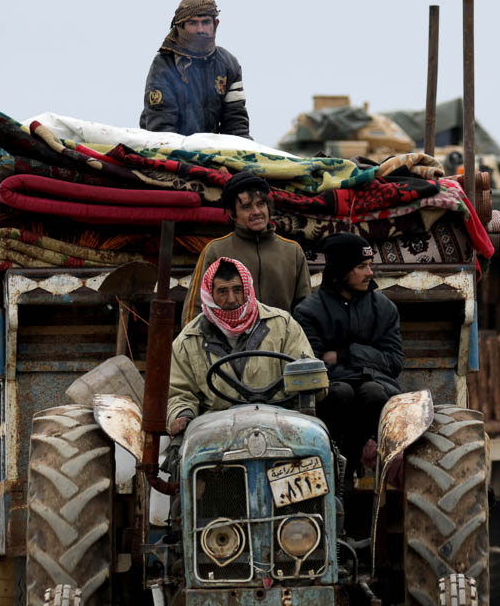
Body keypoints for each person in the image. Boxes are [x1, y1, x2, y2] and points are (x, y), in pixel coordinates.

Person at [166, 257, 315, 436]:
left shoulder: (284, 326)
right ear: (209, 294)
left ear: (247, 288)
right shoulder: (189, 339)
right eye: (222, 291)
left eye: (237, 290)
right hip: (216, 428)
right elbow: (179, 393)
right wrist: (183, 414)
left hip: (280, 423)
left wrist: (309, 386)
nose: (231, 299)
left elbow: (308, 376)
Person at [292, 233, 404, 471]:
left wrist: (346, 354)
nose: (369, 273)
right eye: (361, 266)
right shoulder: (308, 312)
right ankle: (332, 463)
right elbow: (313, 365)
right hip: (333, 388)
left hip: (375, 385)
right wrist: (368, 360)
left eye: (370, 266)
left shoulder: (384, 308)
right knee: (341, 393)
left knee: (372, 392)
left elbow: (394, 362)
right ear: (342, 269)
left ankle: (366, 459)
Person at [186, 171, 311, 319]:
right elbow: (195, 310)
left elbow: (305, 311)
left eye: (261, 204)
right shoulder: (216, 250)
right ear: (233, 214)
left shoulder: (292, 251)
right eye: (247, 207)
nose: (257, 212)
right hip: (229, 341)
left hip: (281, 340)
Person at [139, 0, 250, 138]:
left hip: (209, 152)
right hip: (167, 150)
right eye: (192, 23)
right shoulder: (164, 65)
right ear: (181, 27)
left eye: (205, 22)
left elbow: (236, 124)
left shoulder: (228, 64)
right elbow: (161, 128)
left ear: (215, 25)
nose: (200, 29)